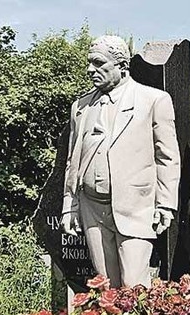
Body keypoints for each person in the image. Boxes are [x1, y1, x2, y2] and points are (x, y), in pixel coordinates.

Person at [61, 35, 181, 287]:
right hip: (92, 208)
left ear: (122, 66)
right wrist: (69, 205)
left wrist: (166, 204)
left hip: (136, 206)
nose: (89, 70)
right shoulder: (81, 107)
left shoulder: (153, 101)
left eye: (98, 63)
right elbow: (73, 160)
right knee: (105, 285)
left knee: (134, 285)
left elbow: (167, 157)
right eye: (89, 63)